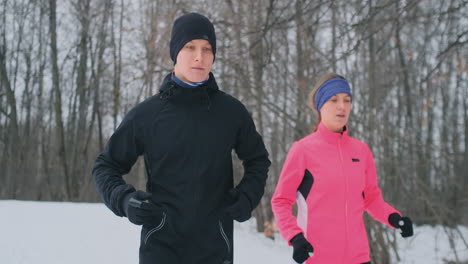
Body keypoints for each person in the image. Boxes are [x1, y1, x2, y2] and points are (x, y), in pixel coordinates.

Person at [92, 12, 270, 264]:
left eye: (207, 48)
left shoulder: (231, 112)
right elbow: (105, 166)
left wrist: (247, 197)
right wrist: (124, 199)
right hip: (160, 248)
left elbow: (258, 160)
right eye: (190, 47)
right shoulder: (147, 115)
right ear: (175, 51)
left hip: (215, 250)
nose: (200, 56)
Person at [271, 73, 413, 264]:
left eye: (347, 100)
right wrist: (295, 237)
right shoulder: (303, 150)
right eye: (334, 100)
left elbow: (371, 198)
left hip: (359, 257)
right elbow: (281, 200)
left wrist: (394, 218)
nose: (342, 106)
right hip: (318, 257)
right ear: (321, 106)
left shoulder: (361, 151)